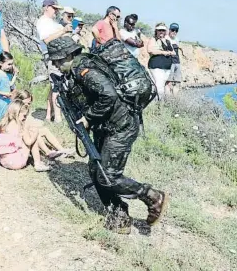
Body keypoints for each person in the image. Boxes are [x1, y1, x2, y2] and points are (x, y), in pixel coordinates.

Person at [46, 38, 168, 234]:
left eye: (58, 60)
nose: (56, 64)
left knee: (108, 176)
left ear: (69, 55)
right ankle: (119, 216)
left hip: (121, 126)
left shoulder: (83, 69)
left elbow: (108, 94)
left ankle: (151, 196)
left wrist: (88, 117)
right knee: (96, 171)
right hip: (107, 126)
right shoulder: (78, 69)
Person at [35, 0, 72, 123]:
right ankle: (57, 117)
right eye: (54, 8)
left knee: (54, 85)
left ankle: (48, 114)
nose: (56, 11)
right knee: (57, 85)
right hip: (52, 56)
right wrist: (63, 30)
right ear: (47, 7)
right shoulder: (43, 22)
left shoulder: (53, 23)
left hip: (60, 56)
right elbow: (47, 40)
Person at [13, 90, 75, 159]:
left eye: (29, 103)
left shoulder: (23, 109)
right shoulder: (16, 110)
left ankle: (62, 150)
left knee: (44, 130)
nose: (27, 105)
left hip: (23, 132)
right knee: (35, 134)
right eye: (25, 103)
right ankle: (48, 152)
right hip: (17, 135)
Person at [0, 101, 52, 172]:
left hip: (3, 161)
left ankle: (39, 159)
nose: (25, 118)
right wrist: (35, 133)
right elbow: (29, 142)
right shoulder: (20, 126)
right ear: (17, 113)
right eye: (24, 115)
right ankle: (38, 163)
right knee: (32, 137)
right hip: (16, 163)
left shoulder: (3, 123)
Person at [146, 22, 177, 100]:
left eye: (163, 30)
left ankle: (159, 104)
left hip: (166, 68)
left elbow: (173, 52)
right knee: (159, 86)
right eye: (159, 30)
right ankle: (159, 105)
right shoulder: (153, 39)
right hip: (156, 66)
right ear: (156, 31)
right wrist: (164, 52)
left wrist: (167, 52)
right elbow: (150, 50)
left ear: (165, 31)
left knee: (162, 86)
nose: (161, 32)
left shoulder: (167, 41)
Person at [0, 52, 17, 120]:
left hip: (5, 101)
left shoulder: (7, 75)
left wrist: (15, 75)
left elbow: (10, 84)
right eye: (9, 64)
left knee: (4, 120)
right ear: (1, 63)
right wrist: (5, 93)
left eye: (11, 64)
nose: (10, 66)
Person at [165, 23, 183, 96]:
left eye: (176, 30)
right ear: (169, 30)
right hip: (169, 63)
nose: (174, 32)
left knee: (177, 83)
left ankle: (174, 100)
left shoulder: (177, 39)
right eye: (173, 30)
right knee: (168, 83)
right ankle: (168, 102)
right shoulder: (165, 38)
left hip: (177, 63)